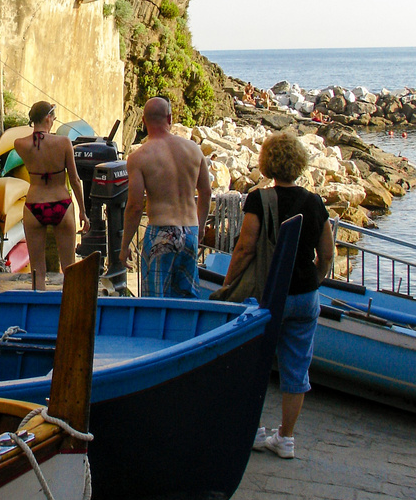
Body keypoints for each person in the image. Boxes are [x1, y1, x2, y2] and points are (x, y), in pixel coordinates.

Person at [225, 130, 334, 459]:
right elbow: (327, 254)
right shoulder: (314, 202)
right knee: (297, 368)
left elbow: (245, 247)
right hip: (305, 296)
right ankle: (285, 438)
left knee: (256, 361)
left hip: (270, 294)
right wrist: (312, 281)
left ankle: (255, 430)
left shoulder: (259, 199)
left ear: (267, 162)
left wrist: (229, 284)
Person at [117, 97, 212, 297]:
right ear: (170, 117)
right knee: (187, 301)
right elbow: (206, 191)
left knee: (155, 301)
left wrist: (125, 245)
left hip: (161, 232)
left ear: (143, 121)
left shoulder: (139, 157)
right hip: (190, 232)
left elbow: (134, 206)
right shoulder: (194, 149)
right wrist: (200, 226)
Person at [13, 101, 90, 291]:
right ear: (48, 118)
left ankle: (39, 313)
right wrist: (83, 212)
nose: (54, 121)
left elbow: (36, 146)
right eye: (53, 117)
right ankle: (71, 313)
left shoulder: (20, 144)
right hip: (61, 205)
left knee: (38, 271)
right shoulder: (63, 143)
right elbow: (75, 180)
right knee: (69, 268)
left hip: (34, 206)